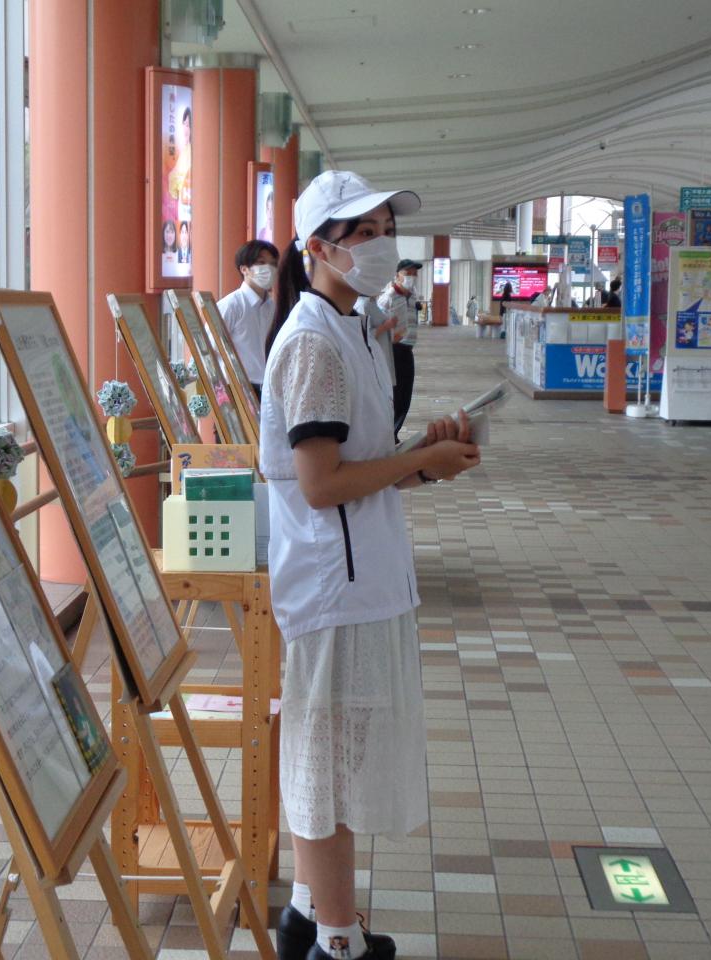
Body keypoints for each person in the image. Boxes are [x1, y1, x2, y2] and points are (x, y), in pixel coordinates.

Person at [262, 170, 480, 960]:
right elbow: (322, 486)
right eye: (363, 232)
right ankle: (338, 942)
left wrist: (424, 457)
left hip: (360, 580)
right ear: (317, 247)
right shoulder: (316, 340)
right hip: (334, 586)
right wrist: (410, 461)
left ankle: (311, 918)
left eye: (386, 226)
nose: (382, 243)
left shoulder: (352, 328)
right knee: (328, 767)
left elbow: (361, 466)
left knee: (337, 758)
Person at [217, 239, 279, 395]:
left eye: (273, 264)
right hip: (239, 388)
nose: (268, 268)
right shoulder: (231, 305)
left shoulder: (272, 307)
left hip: (270, 386)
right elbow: (210, 346)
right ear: (244, 269)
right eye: (261, 262)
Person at [376, 259, 421, 436]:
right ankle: (388, 434)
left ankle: (393, 432)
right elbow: (374, 326)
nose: (412, 277)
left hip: (408, 349)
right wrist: (388, 334)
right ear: (397, 276)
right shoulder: (388, 298)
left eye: (414, 274)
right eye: (407, 274)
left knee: (405, 395)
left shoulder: (412, 294)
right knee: (394, 395)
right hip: (393, 350)